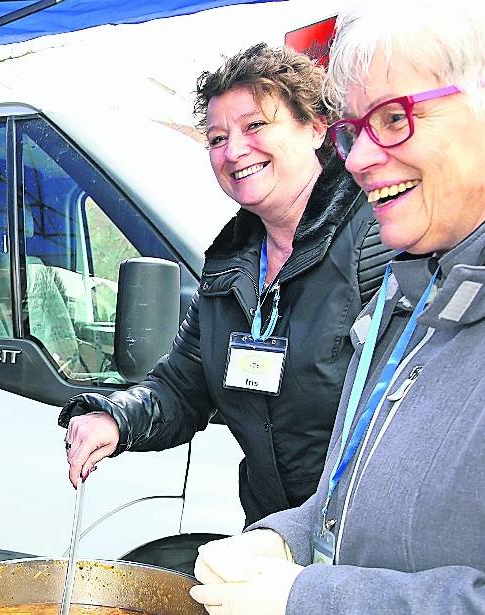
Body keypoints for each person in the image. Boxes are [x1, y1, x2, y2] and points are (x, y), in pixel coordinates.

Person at [189, 1, 485, 613]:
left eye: (396, 117)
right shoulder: (411, 290)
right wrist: (284, 536)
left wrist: (310, 598)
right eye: (357, 129)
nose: (360, 158)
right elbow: (355, 489)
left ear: (310, 130)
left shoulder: (378, 243)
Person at [60, 44, 389, 528]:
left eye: (255, 126)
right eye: (217, 138)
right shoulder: (230, 263)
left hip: (365, 542)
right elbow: (181, 387)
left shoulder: (378, 236)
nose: (234, 151)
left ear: (316, 127)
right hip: (273, 533)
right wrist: (115, 417)